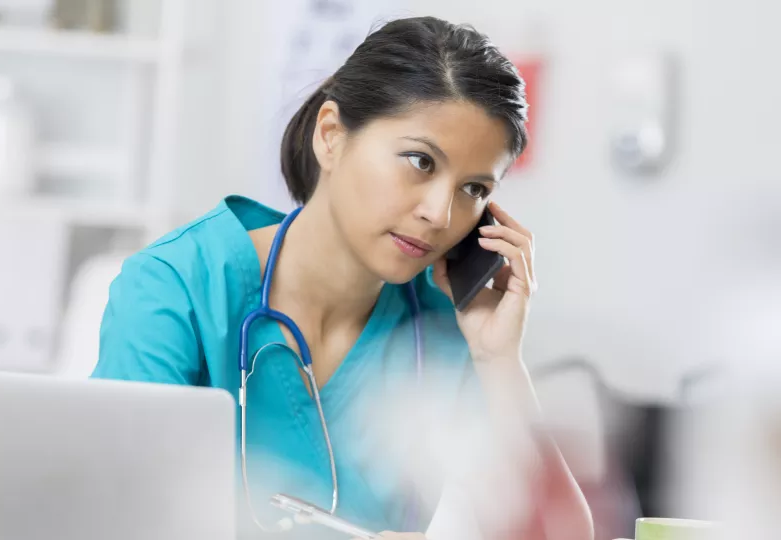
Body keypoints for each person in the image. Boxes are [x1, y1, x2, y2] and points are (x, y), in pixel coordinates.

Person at [93, 15, 593, 540]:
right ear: (330, 136)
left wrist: (499, 359)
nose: (440, 214)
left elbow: (564, 534)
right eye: (421, 161)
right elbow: (117, 516)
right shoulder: (177, 290)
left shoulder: (447, 324)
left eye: (473, 189)